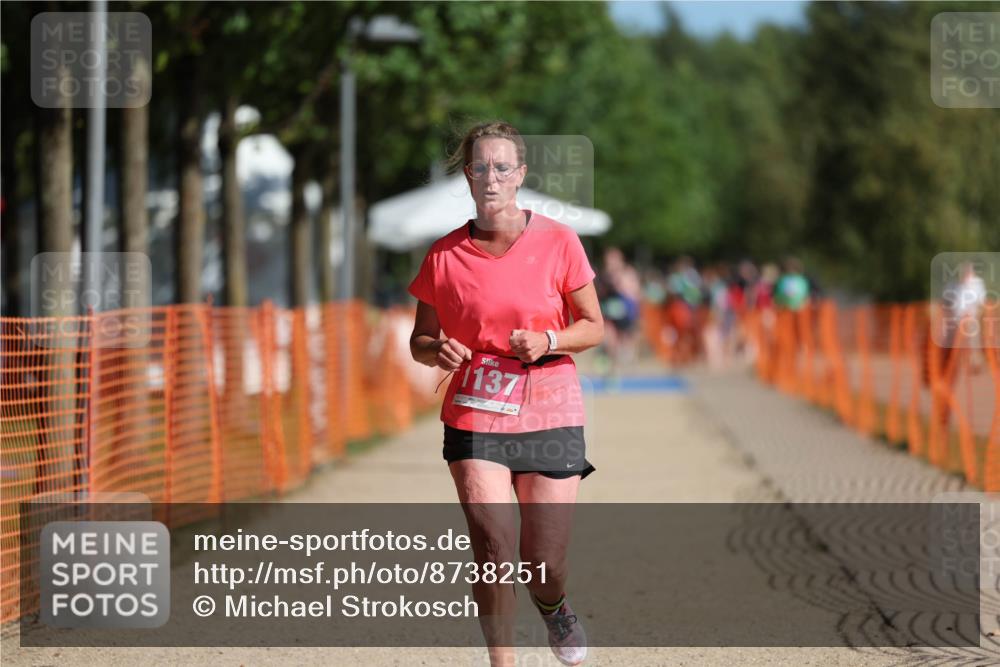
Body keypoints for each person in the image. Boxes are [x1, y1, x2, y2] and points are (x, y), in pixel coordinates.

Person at [408, 121, 603, 667]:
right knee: (493, 549)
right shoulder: (443, 257)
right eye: (479, 167)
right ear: (466, 176)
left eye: (501, 167)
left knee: (543, 562)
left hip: (550, 408)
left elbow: (593, 326)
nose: (490, 177)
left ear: (519, 175)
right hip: (475, 413)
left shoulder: (560, 241)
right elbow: (420, 339)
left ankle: (554, 607)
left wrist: (547, 339)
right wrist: (435, 349)